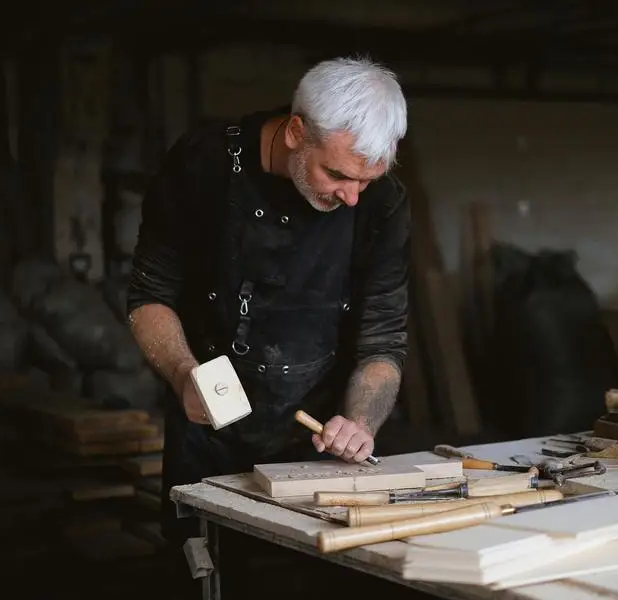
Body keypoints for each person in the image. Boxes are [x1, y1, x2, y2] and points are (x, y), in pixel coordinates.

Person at [126, 56, 411, 545]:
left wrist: (360, 422)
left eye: (366, 181)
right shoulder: (203, 165)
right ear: (297, 131)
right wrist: (181, 374)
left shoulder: (381, 204)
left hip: (319, 438)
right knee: (200, 573)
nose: (352, 198)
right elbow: (148, 295)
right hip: (207, 429)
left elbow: (383, 339)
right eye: (337, 175)